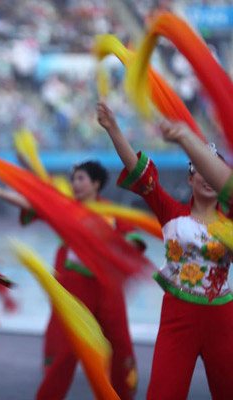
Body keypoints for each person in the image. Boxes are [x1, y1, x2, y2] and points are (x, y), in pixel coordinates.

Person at [98, 101, 233, 400]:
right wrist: (113, 129)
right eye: (201, 171)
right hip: (178, 317)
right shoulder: (170, 211)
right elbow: (138, 170)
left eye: (216, 172)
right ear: (190, 178)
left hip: (223, 319)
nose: (209, 178)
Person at [0, 159, 142, 400]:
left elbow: (134, 243)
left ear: (96, 183)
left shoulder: (112, 213)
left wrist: (121, 249)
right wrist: (0, 192)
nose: (75, 184)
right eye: (73, 179)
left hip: (109, 291)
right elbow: (34, 204)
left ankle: (122, 396)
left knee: (119, 345)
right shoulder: (66, 208)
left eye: (81, 179)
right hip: (76, 288)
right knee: (67, 351)